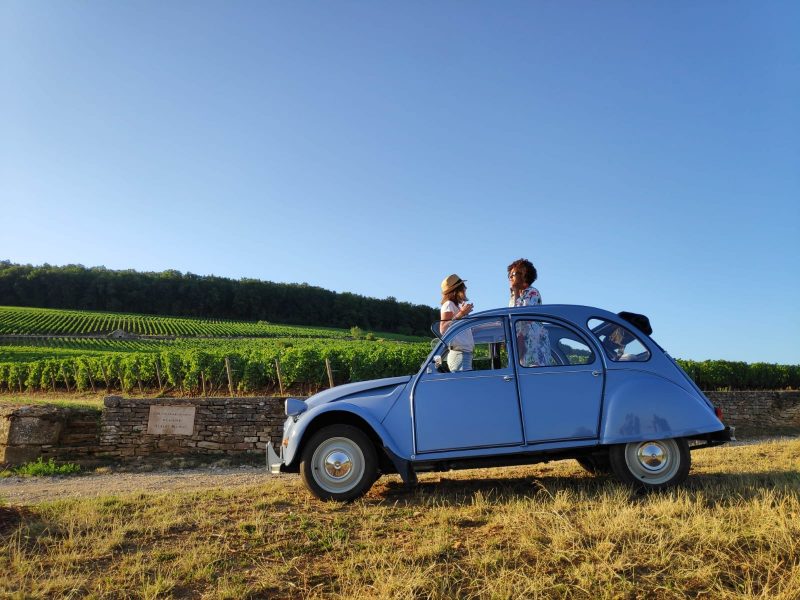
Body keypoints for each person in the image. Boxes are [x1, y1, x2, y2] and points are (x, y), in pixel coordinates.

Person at [507, 258, 551, 367]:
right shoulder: (515, 295)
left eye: (513, 274)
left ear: (524, 274)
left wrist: (516, 291)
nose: (510, 277)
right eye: (509, 275)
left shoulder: (532, 292)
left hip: (534, 348)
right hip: (524, 348)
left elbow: (518, 314)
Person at [439, 274, 474, 371]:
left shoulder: (455, 306)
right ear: (457, 290)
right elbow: (443, 329)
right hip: (459, 355)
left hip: (463, 355)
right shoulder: (448, 304)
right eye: (463, 287)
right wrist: (462, 313)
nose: (465, 289)